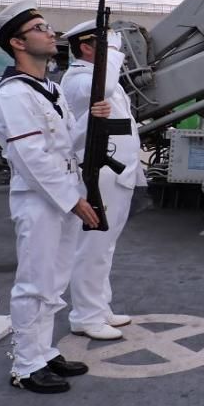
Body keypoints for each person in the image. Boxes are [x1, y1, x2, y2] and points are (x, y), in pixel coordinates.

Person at [0, 0, 108, 393]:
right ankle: (25, 365)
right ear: (18, 43)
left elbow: (63, 145)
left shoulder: (48, 89)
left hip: (64, 194)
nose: (50, 32)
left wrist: (94, 118)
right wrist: (72, 199)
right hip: (40, 199)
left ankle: (43, 351)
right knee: (35, 282)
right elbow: (30, 157)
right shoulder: (14, 95)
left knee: (55, 280)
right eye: (40, 28)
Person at [60, 21, 145, 341]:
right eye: (103, 43)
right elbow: (103, 90)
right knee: (91, 247)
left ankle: (98, 306)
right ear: (86, 47)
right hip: (98, 169)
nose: (113, 49)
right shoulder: (79, 79)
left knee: (104, 247)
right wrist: (112, 52)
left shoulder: (95, 77)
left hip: (116, 171)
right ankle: (85, 315)